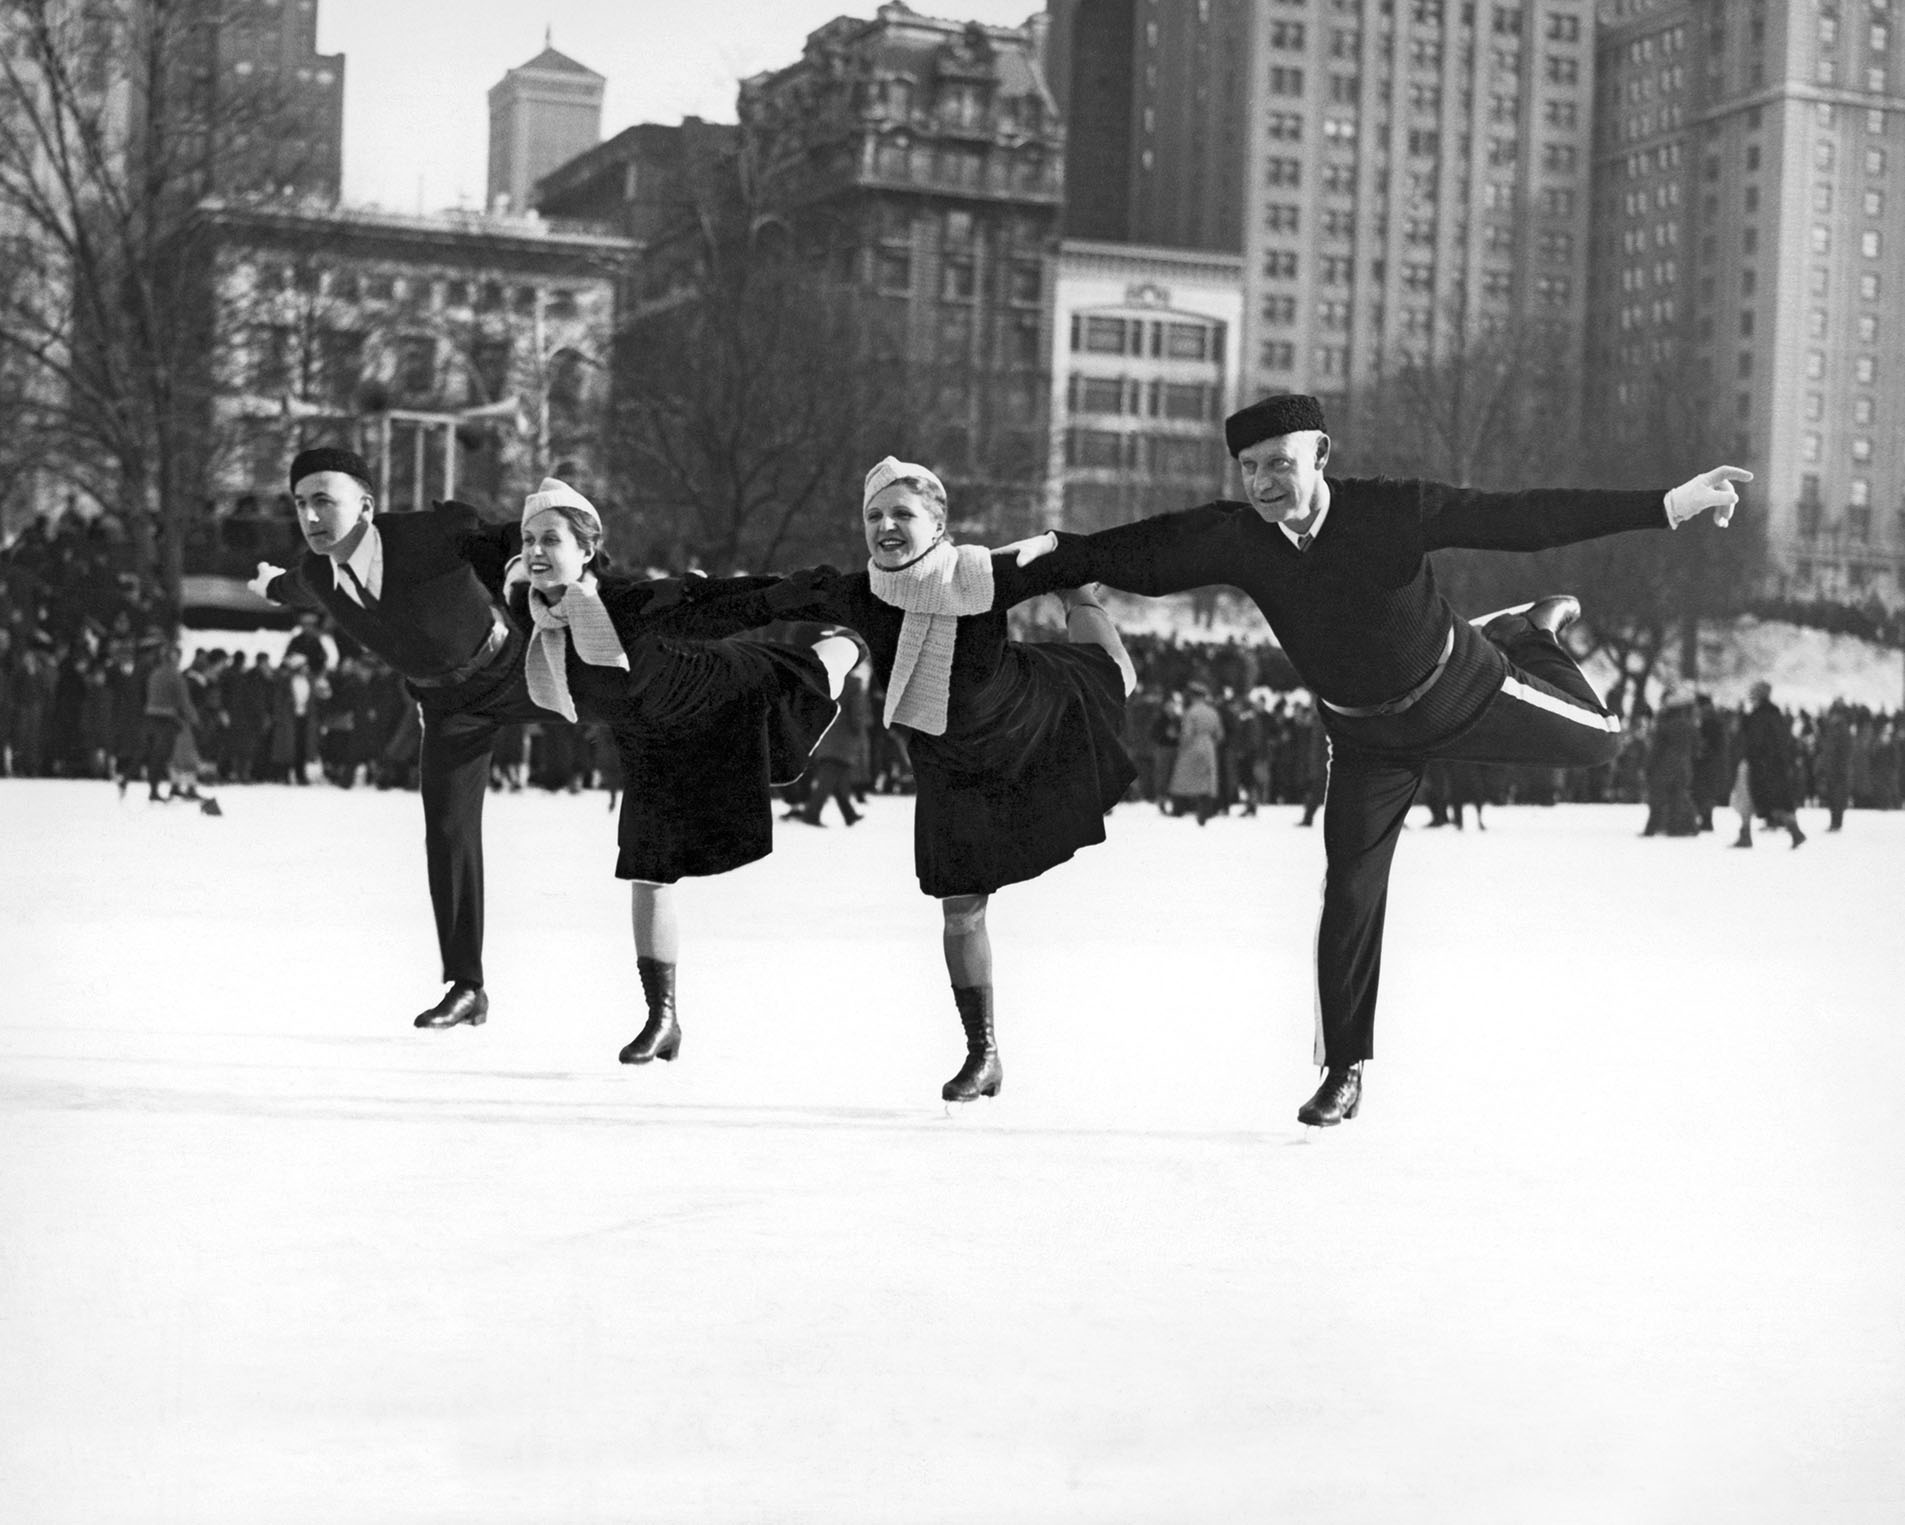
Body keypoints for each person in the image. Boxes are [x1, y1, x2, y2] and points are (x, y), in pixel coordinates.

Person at [1004, 393, 1751, 1127]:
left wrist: (1667, 503)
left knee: (1602, 739)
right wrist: (1037, 558)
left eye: (1279, 464)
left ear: (1321, 454)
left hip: (1461, 690)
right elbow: (1139, 552)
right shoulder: (1238, 536)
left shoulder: (1390, 510)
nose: (1263, 483)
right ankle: (1342, 1070)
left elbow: (1523, 517)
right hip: (1363, 740)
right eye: (1248, 468)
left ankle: (1530, 633)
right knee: (1350, 894)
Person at [676, 456, 1139, 1104]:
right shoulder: (858, 593)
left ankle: (1083, 605)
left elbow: (1109, 550)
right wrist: (680, 604)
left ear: (939, 522)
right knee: (959, 911)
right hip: (949, 763)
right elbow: (762, 596)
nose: (886, 525)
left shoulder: (983, 572)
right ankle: (984, 1053)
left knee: (1115, 676)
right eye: (874, 514)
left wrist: (1068, 564)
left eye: (902, 513)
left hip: (1026, 720)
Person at [507, 478, 852, 1064]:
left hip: (722, 691)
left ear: (587, 550)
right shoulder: (530, 605)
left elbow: (722, 603)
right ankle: (661, 1017)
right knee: (648, 871)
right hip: (651, 738)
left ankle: (851, 643)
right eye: (528, 539)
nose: (536, 551)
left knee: (815, 672)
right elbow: (495, 554)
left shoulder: (628, 603)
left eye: (552, 539)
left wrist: (802, 592)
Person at [248, 446, 565, 1030]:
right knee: (447, 833)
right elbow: (297, 586)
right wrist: (270, 587)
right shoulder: (320, 572)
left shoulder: (424, 536)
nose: (311, 517)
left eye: (324, 501)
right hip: (447, 707)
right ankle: (467, 986)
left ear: (365, 506)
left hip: (517, 669)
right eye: (300, 504)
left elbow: (509, 540)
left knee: (635, 695)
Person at [1733, 680, 1806, 849]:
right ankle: (1794, 831)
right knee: (1776, 801)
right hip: (1774, 766)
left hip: (1759, 765)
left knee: (1748, 799)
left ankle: (1746, 835)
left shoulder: (1759, 716)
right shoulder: (1775, 715)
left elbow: (1754, 742)